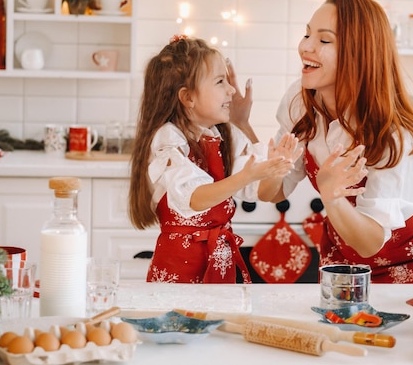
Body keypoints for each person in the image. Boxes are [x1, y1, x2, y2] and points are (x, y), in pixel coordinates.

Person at [263, 0, 413, 283]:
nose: (305, 47)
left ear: (359, 55)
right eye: (307, 34)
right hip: (347, 258)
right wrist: (272, 168)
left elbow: (369, 241)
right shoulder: (300, 103)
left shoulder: (391, 134)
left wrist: (332, 197)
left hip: (412, 265)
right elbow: (274, 192)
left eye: (324, 40)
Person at [128, 35, 301, 284]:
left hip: (219, 263)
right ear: (188, 98)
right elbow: (196, 198)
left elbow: (262, 192)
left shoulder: (219, 135)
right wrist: (247, 175)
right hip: (180, 273)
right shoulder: (168, 138)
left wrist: (276, 169)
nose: (231, 89)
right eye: (221, 81)